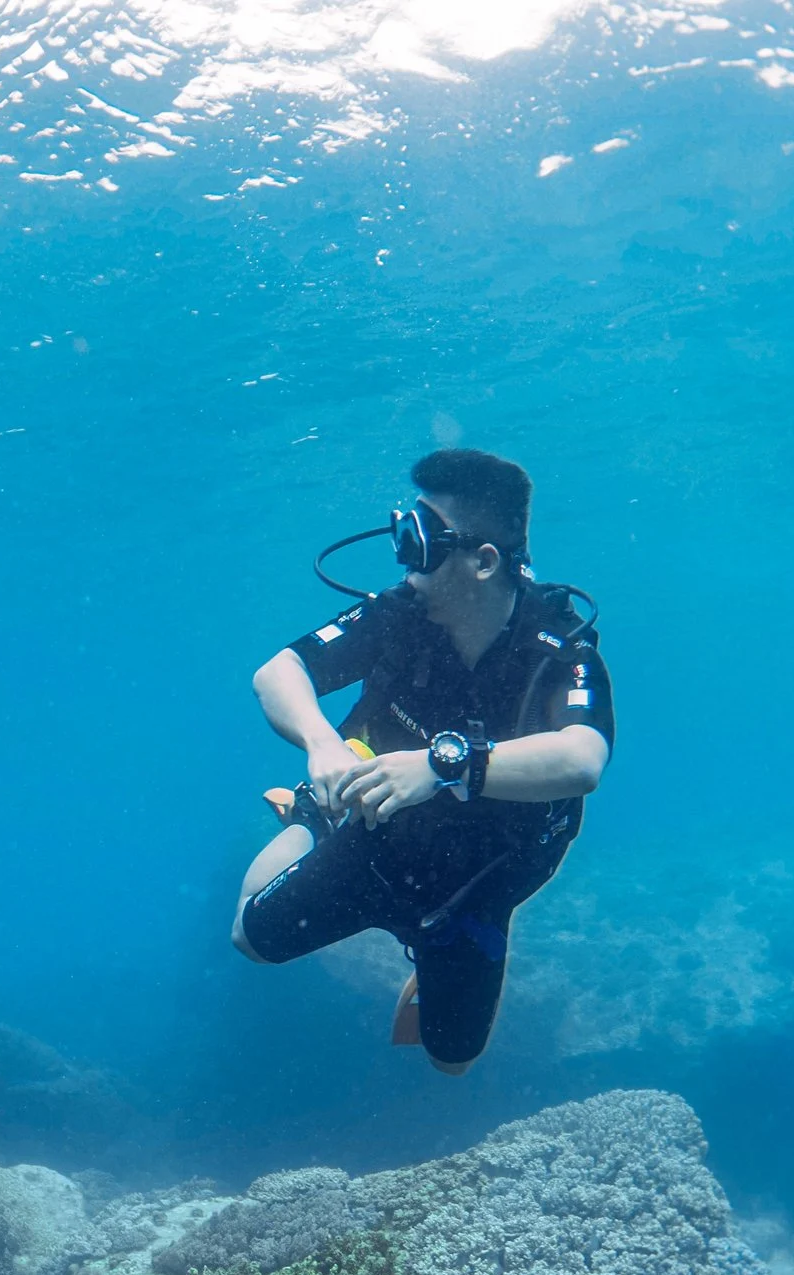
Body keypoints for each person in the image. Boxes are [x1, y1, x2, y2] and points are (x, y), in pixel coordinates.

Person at [230, 448, 614, 1074]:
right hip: (376, 825)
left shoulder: (557, 649)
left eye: (422, 544)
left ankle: (430, 944)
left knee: (451, 1061)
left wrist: (443, 767)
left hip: (477, 876)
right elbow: (279, 671)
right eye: (403, 536)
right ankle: (311, 816)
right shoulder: (400, 615)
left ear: (483, 562)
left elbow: (583, 758)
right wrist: (322, 746)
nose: (406, 567)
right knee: (250, 939)